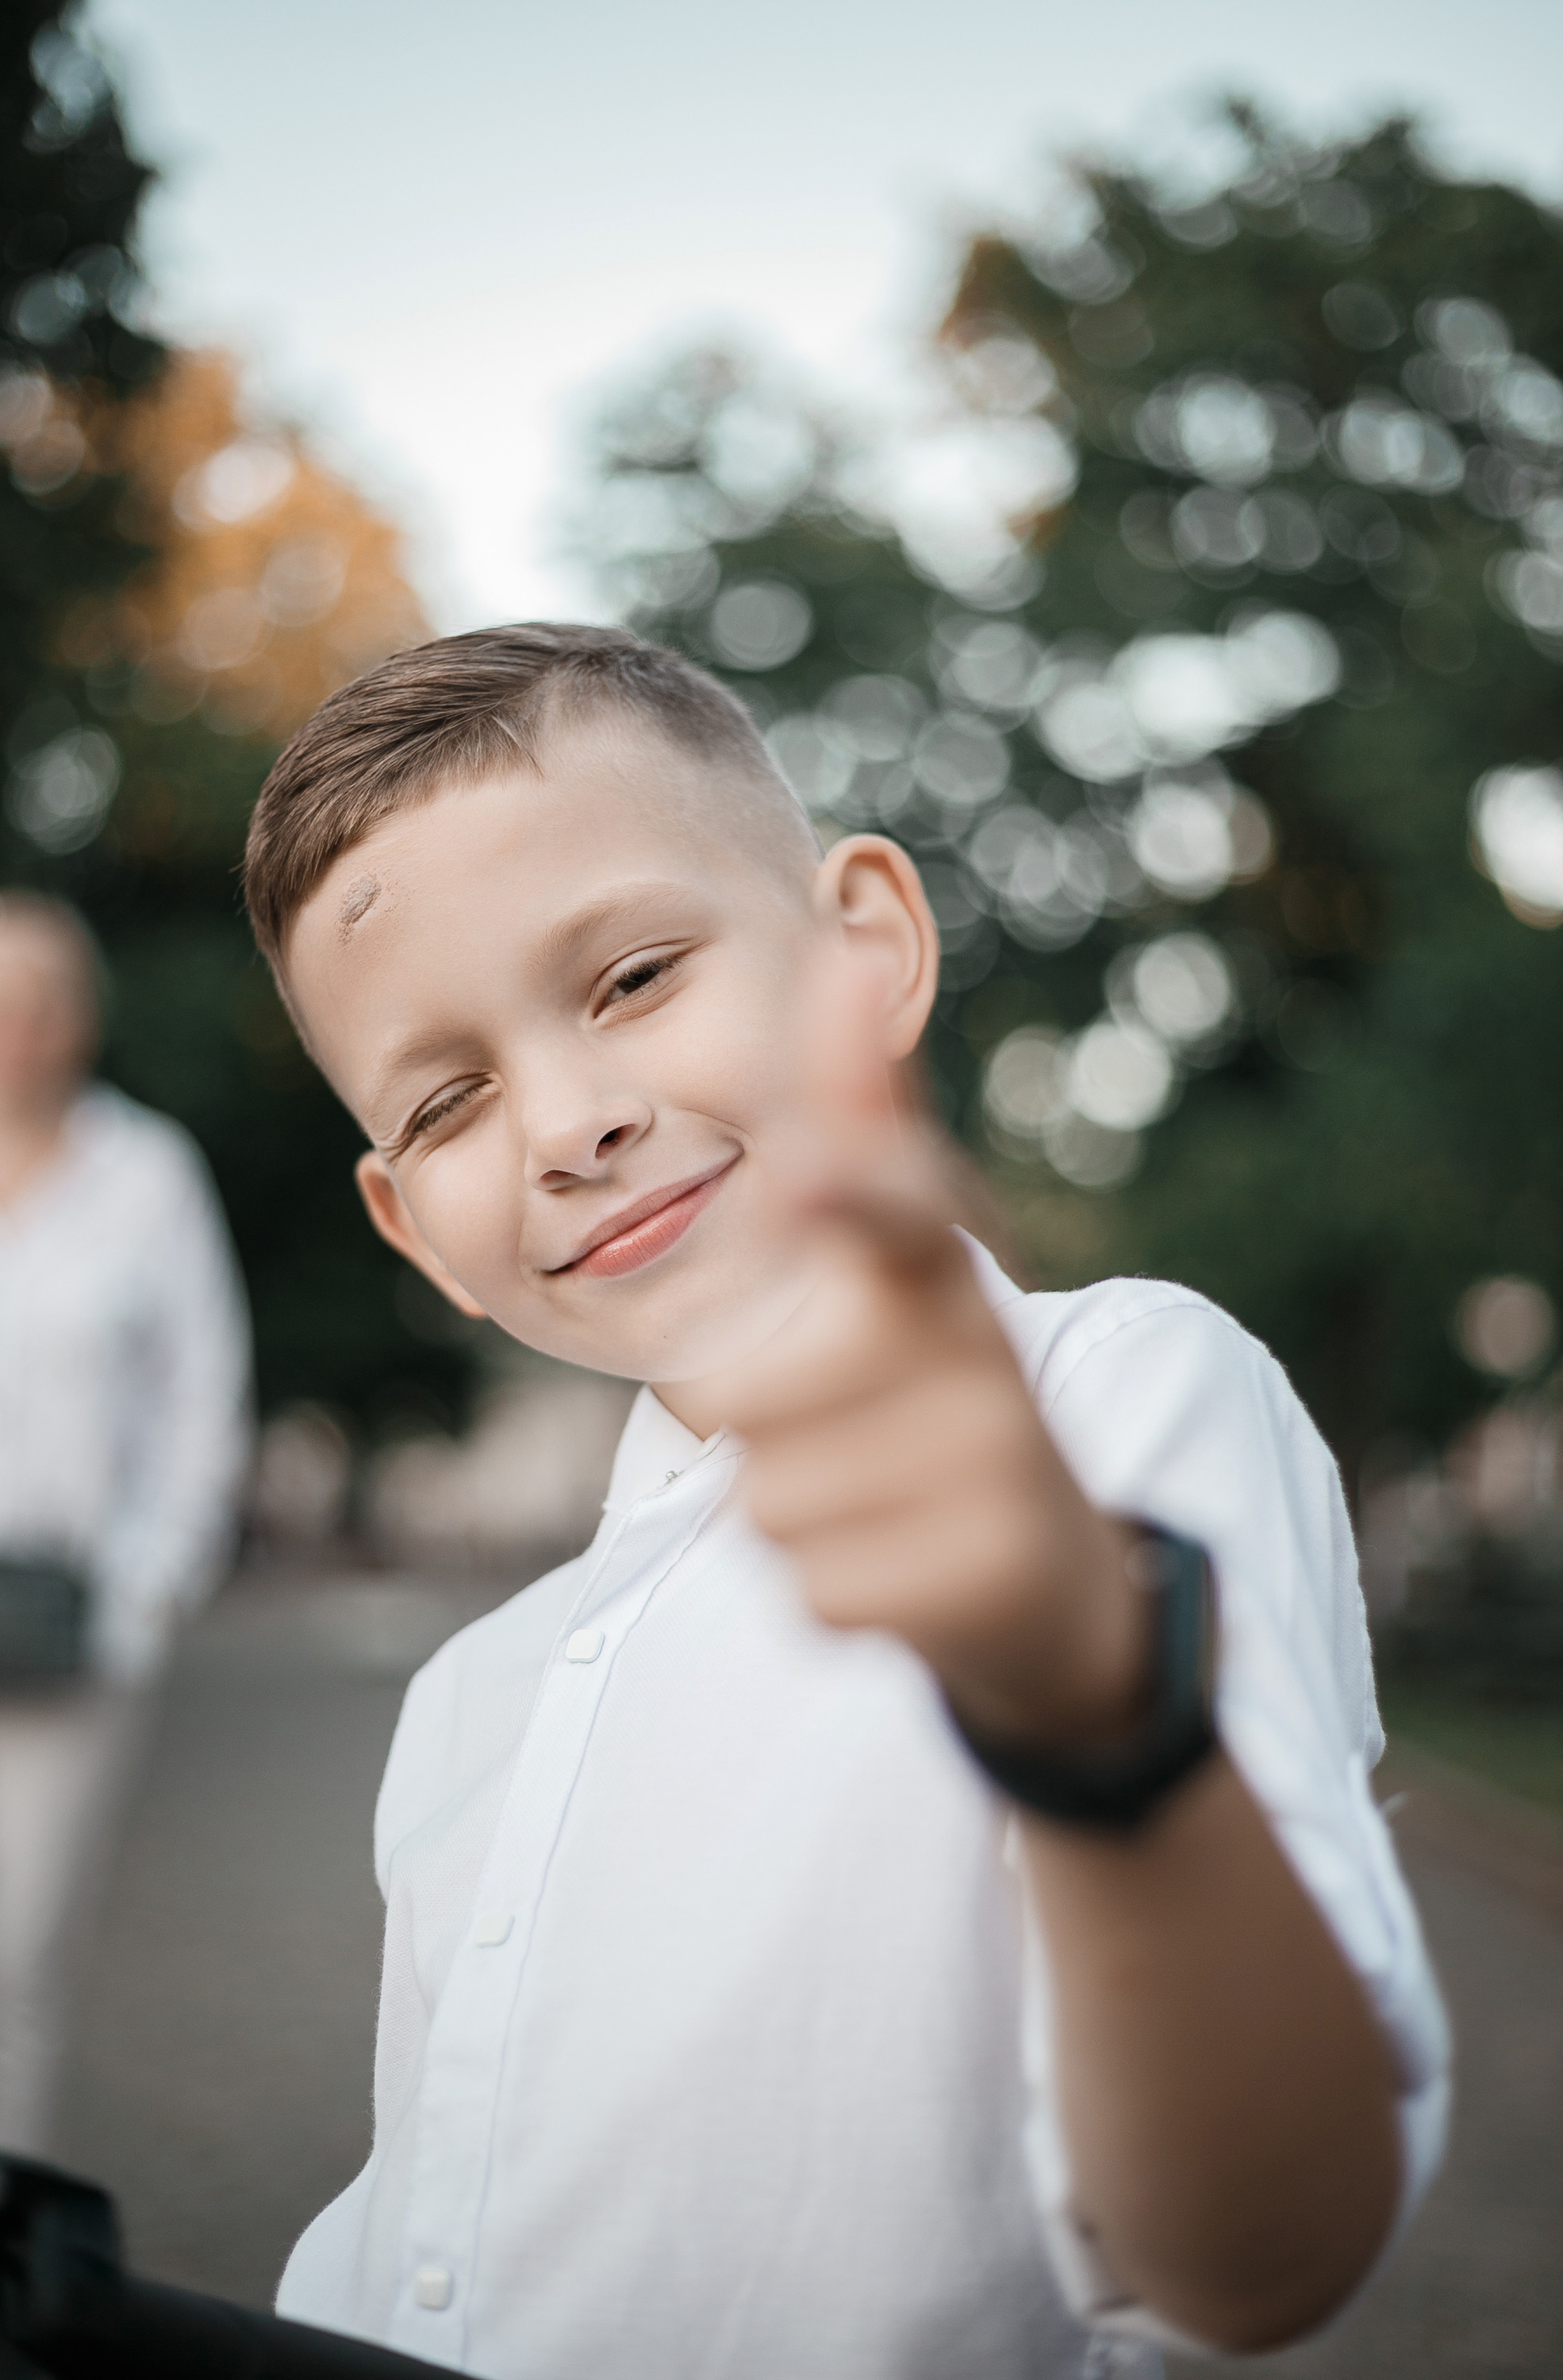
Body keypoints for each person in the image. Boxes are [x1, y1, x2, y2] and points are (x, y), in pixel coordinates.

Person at [242, 626, 1447, 2378]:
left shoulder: (1113, 1399)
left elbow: (1256, 2257)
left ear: (863, 950)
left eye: (633, 977)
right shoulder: (465, 1704)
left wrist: (1096, 1716)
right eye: (447, 1102)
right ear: (413, 1230)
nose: (565, 1126)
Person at [0, 890, 251, 2152]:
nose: (12, 1027)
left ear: (80, 1015)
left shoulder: (147, 1176)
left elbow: (204, 1397)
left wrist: (149, 1590)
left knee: (16, 1952)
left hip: (70, 1624)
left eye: (38, 1000)